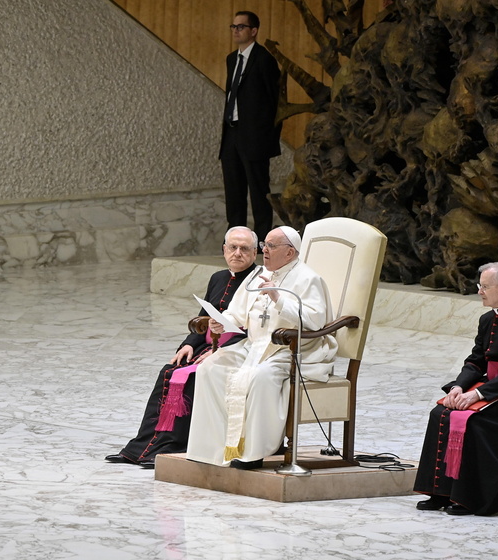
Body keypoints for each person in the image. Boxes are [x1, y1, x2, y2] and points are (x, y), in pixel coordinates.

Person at [106, 227, 259, 468]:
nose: (237, 253)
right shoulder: (218, 277)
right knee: (168, 371)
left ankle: (172, 446)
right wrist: (188, 344)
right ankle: (141, 447)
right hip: (207, 346)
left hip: (235, 350)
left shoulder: (257, 282)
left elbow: (254, 327)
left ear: (255, 253)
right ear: (223, 250)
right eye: (232, 247)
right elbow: (203, 317)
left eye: (244, 249)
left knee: (191, 378)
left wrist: (218, 350)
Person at [186, 226, 338, 469]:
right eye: (264, 244)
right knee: (210, 368)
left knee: (260, 377)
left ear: (289, 253)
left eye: (270, 246)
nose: (264, 250)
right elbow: (236, 313)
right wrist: (222, 322)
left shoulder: (309, 279)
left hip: (289, 350)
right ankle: (214, 448)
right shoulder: (258, 275)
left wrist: (278, 298)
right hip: (254, 346)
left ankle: (252, 453)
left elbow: (314, 322)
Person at [414, 262, 498, 515]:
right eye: (480, 286)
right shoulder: (487, 319)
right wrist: (459, 387)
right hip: (494, 392)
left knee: (474, 423)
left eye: (485, 287)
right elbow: (476, 361)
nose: (480, 291)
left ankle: (470, 498)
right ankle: (441, 493)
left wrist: (477, 394)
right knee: (440, 414)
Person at [219, 10, 282, 245]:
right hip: (232, 133)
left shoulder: (264, 59)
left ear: (253, 31)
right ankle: (235, 239)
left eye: (241, 27)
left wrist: (269, 137)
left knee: (258, 190)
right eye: (233, 27)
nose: (236, 31)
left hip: (255, 137)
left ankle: (262, 239)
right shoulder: (231, 59)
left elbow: (276, 102)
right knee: (234, 190)